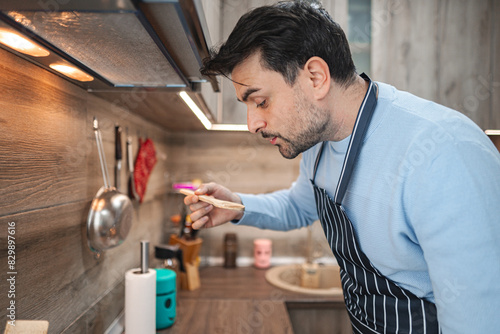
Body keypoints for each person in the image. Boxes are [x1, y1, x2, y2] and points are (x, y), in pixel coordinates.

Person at [184, 1, 500, 333]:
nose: (253, 123)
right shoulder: (317, 143)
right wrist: (235, 206)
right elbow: (298, 206)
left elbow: (479, 319)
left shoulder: (444, 151)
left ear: (316, 78)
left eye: (261, 101)